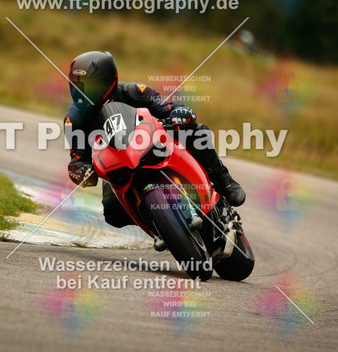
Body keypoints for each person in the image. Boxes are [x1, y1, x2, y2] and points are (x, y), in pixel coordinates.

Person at [64, 51, 245, 235]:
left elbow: (168, 108)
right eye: (77, 87)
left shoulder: (136, 92)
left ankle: (223, 180)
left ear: (108, 82)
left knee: (198, 134)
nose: (81, 94)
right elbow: (77, 159)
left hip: (156, 145)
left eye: (89, 87)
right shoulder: (73, 120)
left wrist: (180, 114)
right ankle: (158, 224)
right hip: (119, 165)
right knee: (112, 213)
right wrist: (82, 170)